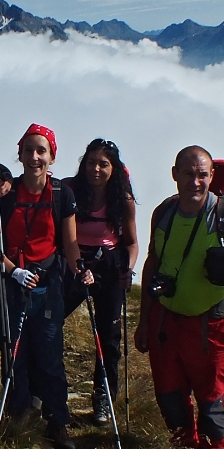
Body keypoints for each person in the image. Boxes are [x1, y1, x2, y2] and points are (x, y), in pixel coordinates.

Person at [134, 145, 224, 449]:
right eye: (188, 174)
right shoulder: (163, 213)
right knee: (169, 394)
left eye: (202, 175)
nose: (195, 182)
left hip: (210, 326)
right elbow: (153, 263)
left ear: (211, 177)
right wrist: (144, 321)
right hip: (166, 321)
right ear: (174, 175)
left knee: (210, 398)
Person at [0, 124, 91, 449]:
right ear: (19, 154)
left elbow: (70, 244)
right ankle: (18, 415)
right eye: (28, 150)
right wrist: (13, 271)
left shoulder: (61, 194)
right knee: (15, 354)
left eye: (41, 151)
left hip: (48, 285)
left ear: (52, 156)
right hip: (11, 284)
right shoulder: (6, 194)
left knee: (50, 358)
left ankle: (57, 420)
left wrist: (81, 269)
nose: (34, 157)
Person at [63, 139, 138, 425]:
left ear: (114, 169)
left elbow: (131, 243)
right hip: (73, 260)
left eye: (103, 164)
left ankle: (103, 398)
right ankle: (46, 389)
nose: (96, 169)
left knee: (109, 336)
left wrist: (127, 269)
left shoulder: (123, 199)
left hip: (109, 265)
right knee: (50, 321)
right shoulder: (69, 189)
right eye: (91, 162)